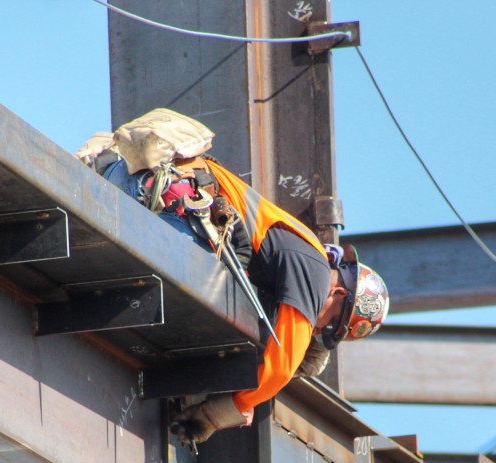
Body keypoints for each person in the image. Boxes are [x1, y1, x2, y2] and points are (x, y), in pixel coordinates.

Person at [77, 109, 389, 443]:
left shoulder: (288, 252)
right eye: (329, 324)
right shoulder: (312, 268)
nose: (318, 327)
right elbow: (283, 363)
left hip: (127, 179)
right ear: (338, 296)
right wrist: (219, 412)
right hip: (157, 200)